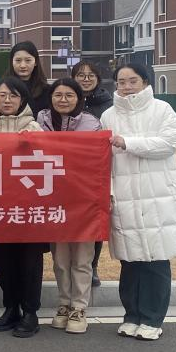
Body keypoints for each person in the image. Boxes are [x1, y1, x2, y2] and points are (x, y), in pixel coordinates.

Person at [102, 62, 176, 341]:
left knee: (155, 259)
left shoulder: (162, 110)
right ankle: (132, 315)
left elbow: (169, 143)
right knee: (130, 261)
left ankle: (153, 318)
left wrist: (128, 142)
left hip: (157, 194)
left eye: (133, 81)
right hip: (124, 195)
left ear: (145, 82)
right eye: (121, 82)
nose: (127, 87)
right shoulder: (108, 115)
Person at [37, 77, 102, 336]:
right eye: (58, 95)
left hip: (84, 200)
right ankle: (64, 304)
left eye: (69, 95)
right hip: (54, 199)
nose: (63, 100)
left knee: (83, 258)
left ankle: (79, 308)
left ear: (79, 98)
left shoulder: (92, 124)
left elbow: (99, 161)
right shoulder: (40, 121)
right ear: (50, 98)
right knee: (61, 258)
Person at [0, 76, 45, 336]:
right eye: (2, 95)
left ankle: (30, 312)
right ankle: (11, 309)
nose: (7, 100)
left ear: (23, 100)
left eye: (13, 95)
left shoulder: (35, 128)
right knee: (4, 259)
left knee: (30, 260)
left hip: (28, 207)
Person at [72, 59, 113, 288]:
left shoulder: (108, 105)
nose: (86, 79)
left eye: (90, 75)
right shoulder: (67, 99)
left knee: (94, 220)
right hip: (70, 170)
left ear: (98, 79)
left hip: (96, 170)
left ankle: (92, 266)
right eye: (80, 75)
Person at [9, 41, 51, 115]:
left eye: (28, 60)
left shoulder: (47, 90)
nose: (23, 65)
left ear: (36, 62)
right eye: (18, 60)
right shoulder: (3, 88)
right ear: (12, 62)